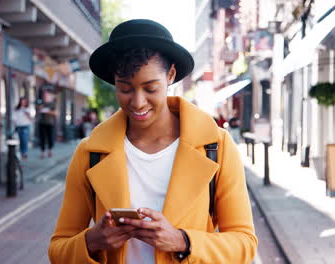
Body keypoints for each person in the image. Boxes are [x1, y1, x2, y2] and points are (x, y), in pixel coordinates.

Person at [48, 19, 257, 264]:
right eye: (125, 88)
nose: (137, 102)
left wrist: (182, 241)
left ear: (170, 75)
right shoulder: (90, 152)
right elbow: (58, 249)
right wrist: (93, 241)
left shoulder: (216, 146)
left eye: (150, 88)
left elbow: (245, 244)